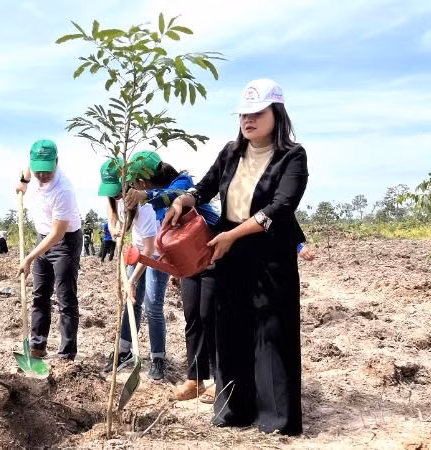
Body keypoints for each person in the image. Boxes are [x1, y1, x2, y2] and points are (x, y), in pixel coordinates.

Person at [164, 78, 307, 435]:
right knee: (230, 330)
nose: (249, 120)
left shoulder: (292, 156)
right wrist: (184, 200)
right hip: (230, 253)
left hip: (270, 255)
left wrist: (232, 234)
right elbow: (206, 186)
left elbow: (281, 207)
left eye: (257, 113)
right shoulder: (230, 152)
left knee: (271, 331)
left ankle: (275, 418)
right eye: (244, 114)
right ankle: (233, 409)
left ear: (277, 113)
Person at [123, 151, 221, 401]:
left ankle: (222, 380)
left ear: (143, 183)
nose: (133, 188)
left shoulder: (182, 184)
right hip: (189, 262)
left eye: (135, 184)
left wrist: (146, 196)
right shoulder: (154, 206)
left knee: (211, 317)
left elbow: (177, 196)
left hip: (213, 255)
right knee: (193, 317)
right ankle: (195, 379)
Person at [98, 159, 169, 380]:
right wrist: (113, 226)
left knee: (153, 307)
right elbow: (112, 212)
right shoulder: (116, 198)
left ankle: (158, 357)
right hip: (137, 252)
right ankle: (124, 351)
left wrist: (131, 281)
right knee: (131, 303)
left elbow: (149, 250)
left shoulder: (145, 205)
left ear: (128, 183)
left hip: (156, 255)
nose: (116, 196)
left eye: (118, 190)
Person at [16, 139, 83, 359]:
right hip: (42, 236)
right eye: (38, 171)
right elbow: (26, 171)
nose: (43, 176)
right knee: (39, 294)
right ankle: (37, 346)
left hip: (65, 241)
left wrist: (29, 258)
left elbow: (58, 234)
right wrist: (23, 181)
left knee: (65, 297)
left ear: (57, 162)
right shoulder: (33, 170)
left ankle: (67, 353)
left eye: (47, 171)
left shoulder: (64, 189)